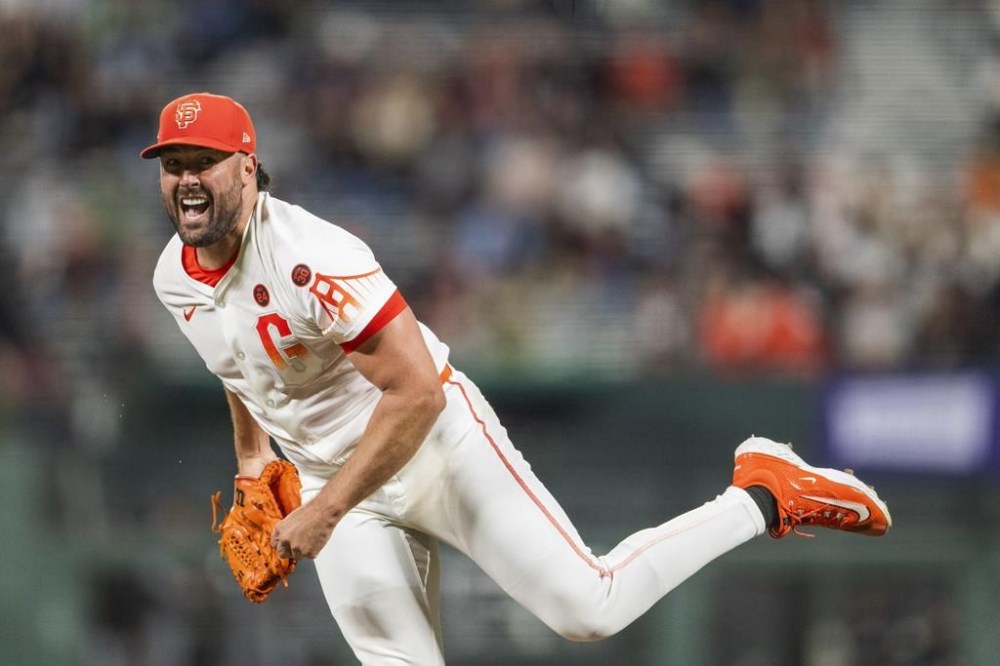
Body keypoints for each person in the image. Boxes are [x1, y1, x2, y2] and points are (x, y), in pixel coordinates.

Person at [143, 92, 891, 664]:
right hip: (327, 482)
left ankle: (763, 494)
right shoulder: (173, 278)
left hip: (431, 444)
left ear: (247, 164)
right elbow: (235, 361)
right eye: (173, 166)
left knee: (588, 608)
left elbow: (417, 392)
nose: (186, 181)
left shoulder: (311, 256)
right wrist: (252, 464)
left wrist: (324, 511)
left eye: (202, 161)